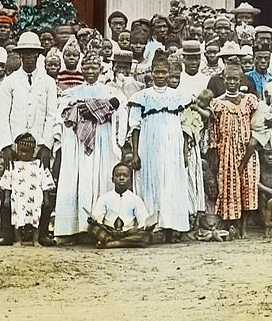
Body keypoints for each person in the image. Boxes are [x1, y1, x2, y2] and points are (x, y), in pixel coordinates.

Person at [53, 54, 126, 240]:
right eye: (87, 68)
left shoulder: (109, 90)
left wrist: (95, 108)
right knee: (77, 178)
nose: (91, 71)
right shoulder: (72, 91)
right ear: (82, 70)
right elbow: (64, 111)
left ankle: (101, 228)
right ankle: (74, 229)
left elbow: (118, 107)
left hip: (102, 138)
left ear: (100, 70)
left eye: (94, 68)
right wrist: (90, 108)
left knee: (99, 177)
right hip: (78, 141)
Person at [128, 57, 190, 241]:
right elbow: (135, 127)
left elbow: (185, 126)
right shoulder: (142, 96)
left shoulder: (178, 96)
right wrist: (135, 152)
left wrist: (184, 152)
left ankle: (171, 228)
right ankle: (151, 229)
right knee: (152, 181)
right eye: (157, 72)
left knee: (171, 184)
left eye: (164, 72)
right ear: (151, 72)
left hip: (172, 145)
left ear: (169, 73)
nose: (161, 75)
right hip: (150, 145)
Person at [209, 64, 262, 237]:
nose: (232, 82)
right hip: (227, 150)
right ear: (223, 80)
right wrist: (214, 150)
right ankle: (233, 225)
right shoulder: (217, 103)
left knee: (248, 185)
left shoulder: (250, 100)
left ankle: (244, 228)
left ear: (241, 81)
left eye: (235, 79)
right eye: (228, 79)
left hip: (248, 148)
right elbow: (213, 129)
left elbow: (260, 121)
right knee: (230, 187)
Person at [0, 32, 57, 171]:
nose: (29, 57)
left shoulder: (48, 82)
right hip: (15, 146)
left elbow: (51, 116)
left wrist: (46, 145)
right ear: (20, 55)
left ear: (38, 55)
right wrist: (6, 145)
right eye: (26, 53)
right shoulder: (9, 82)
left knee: (39, 184)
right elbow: (2, 116)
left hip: (39, 145)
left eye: (33, 53)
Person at [0, 133, 56, 246]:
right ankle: (18, 240)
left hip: (35, 199)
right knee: (17, 219)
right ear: (17, 149)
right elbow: (7, 183)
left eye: (27, 151)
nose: (23, 154)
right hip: (18, 198)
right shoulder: (13, 165)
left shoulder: (39, 165)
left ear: (33, 151)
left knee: (36, 219)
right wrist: (6, 197)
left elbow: (45, 182)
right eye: (21, 151)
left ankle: (36, 240)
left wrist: (46, 197)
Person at [88, 163, 153, 248]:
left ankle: (113, 243)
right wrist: (94, 221)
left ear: (130, 179)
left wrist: (147, 226)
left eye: (125, 176)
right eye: (118, 175)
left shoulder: (135, 199)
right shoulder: (104, 198)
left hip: (128, 232)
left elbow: (144, 220)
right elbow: (97, 217)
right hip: (109, 231)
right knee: (91, 228)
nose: (121, 178)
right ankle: (125, 243)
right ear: (113, 179)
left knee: (148, 235)